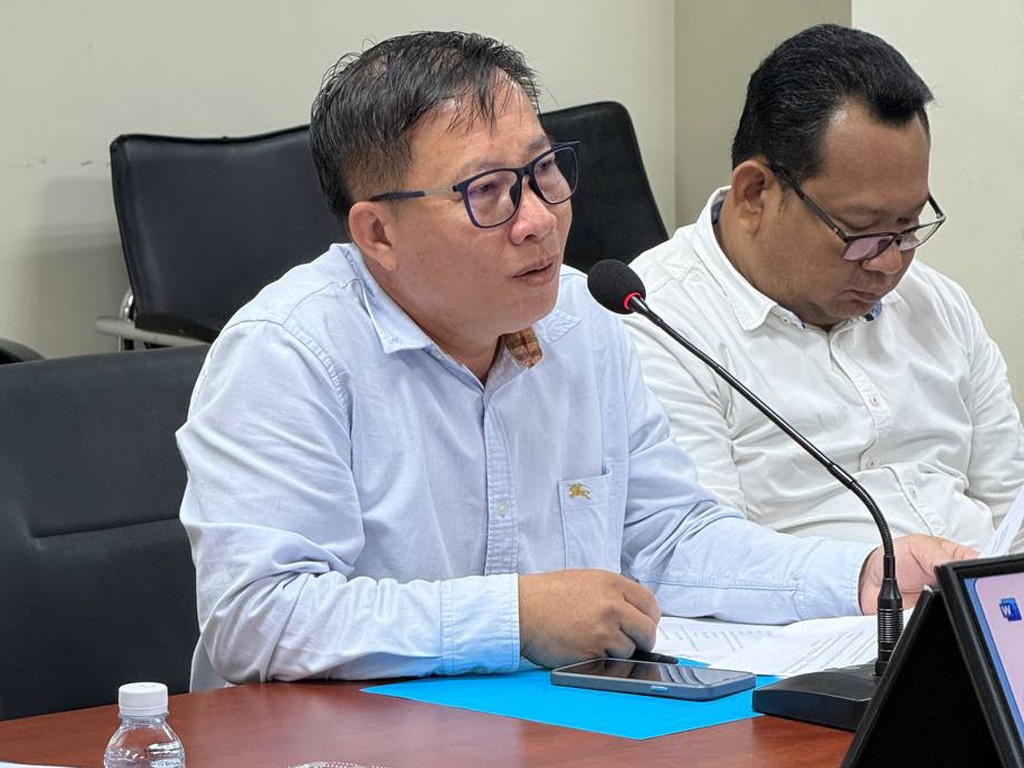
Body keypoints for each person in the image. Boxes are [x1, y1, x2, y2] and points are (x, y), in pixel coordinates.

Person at [177, 30, 972, 691]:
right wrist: (514, 617)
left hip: (542, 728)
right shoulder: (290, 354)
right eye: (488, 192)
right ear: (378, 234)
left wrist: (863, 575)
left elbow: (667, 539)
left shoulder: (586, 322)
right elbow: (258, 618)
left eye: (544, 172)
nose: (539, 220)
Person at [626, 24, 1024, 550]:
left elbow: (1010, 505)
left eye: (908, 228)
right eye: (861, 232)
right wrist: (866, 578)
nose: (889, 263)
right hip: (832, 601)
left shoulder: (936, 304)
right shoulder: (657, 324)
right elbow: (700, 557)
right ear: (754, 194)